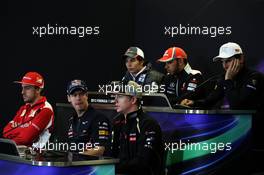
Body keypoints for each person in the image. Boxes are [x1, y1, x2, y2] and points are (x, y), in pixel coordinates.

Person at [180, 42, 264, 110]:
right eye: (222, 62)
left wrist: (228, 80)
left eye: (228, 61)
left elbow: (238, 107)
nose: (224, 66)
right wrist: (193, 103)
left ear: (241, 59)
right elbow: (210, 101)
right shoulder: (224, 78)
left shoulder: (254, 77)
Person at [111, 81, 164, 175]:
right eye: (115, 96)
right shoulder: (117, 122)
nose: (115, 100)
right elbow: (112, 153)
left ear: (133, 100)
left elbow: (143, 162)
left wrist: (114, 170)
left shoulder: (148, 124)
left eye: (120, 96)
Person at [3, 72, 54, 148]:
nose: (22, 92)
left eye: (27, 88)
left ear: (38, 89)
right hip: (19, 153)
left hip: (37, 157)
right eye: (22, 88)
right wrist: (24, 129)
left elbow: (25, 139)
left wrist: (19, 128)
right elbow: (6, 131)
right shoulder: (24, 108)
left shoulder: (46, 109)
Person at [67, 79, 111, 156]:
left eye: (81, 94)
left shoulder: (99, 118)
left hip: (94, 167)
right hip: (75, 166)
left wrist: (76, 158)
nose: (78, 98)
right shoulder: (72, 119)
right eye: (74, 95)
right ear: (69, 98)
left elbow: (100, 150)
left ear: (87, 96)